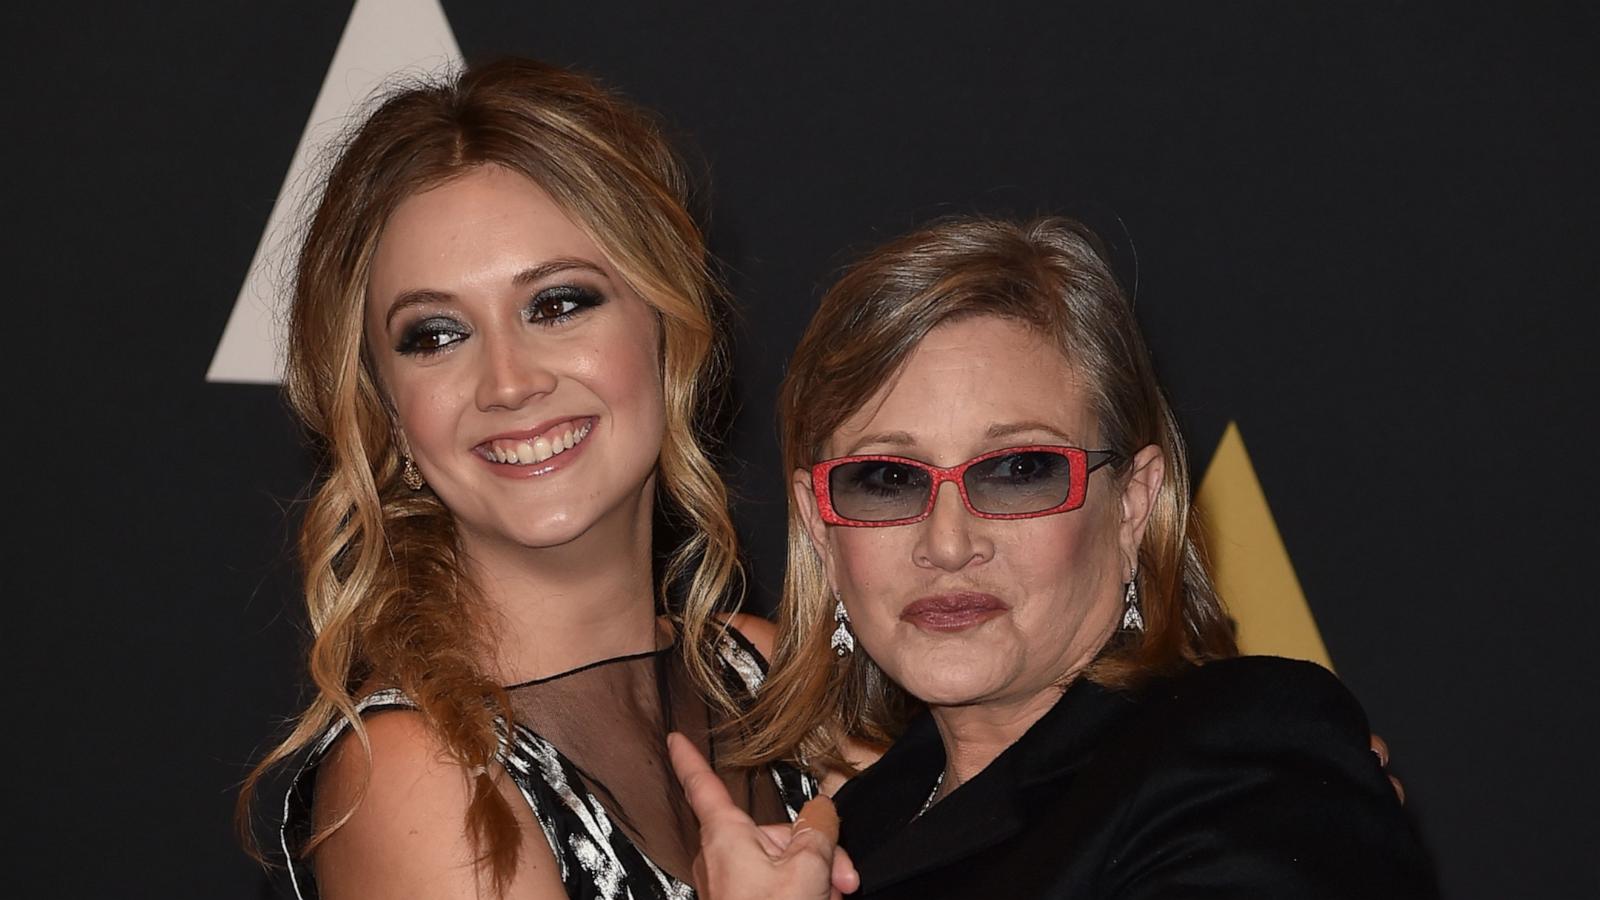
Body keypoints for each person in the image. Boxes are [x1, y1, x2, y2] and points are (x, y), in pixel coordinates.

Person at [674, 216, 1437, 898]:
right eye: (887, 480)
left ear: (1133, 504)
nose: (947, 544)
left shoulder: (1240, 756)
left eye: (1017, 472)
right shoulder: (853, 830)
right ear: (820, 528)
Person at [236, 59, 815, 899]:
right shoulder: (420, 778)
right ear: (386, 412)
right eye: (435, 335)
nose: (508, 383)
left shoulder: (770, 677)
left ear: (667, 328)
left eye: (558, 303)